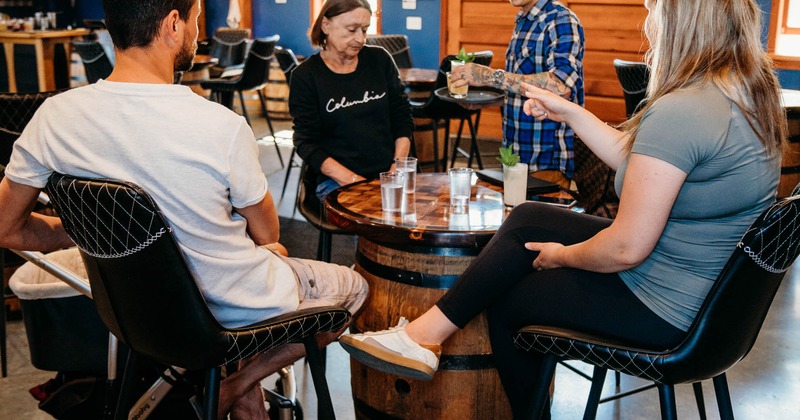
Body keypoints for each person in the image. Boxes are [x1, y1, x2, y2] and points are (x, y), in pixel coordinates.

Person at [340, 0, 786, 417]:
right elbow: (643, 158)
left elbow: (625, 248)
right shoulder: (746, 91)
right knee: (530, 216)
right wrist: (567, 111)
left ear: (680, 21)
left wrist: (561, 257)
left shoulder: (683, 110)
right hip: (712, 301)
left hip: (665, 305)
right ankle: (423, 336)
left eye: (655, 10)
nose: (651, 23)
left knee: (512, 300)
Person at [0, 1, 367, 419]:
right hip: (225, 312)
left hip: (130, 315)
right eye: (195, 20)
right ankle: (235, 387)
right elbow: (268, 235)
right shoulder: (219, 125)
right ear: (174, 24)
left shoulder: (54, 117)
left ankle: (241, 395)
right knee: (354, 289)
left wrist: (92, 228)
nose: (197, 31)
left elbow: (6, 229)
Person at [449, 0, 584, 188]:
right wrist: (487, 102)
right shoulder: (523, 20)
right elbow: (519, 86)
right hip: (515, 156)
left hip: (547, 162)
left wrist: (489, 76)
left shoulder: (561, 19)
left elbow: (560, 86)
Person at [289, 0, 414, 200]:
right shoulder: (306, 76)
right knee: (379, 219)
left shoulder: (380, 60)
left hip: (388, 174)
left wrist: (396, 169)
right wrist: (356, 182)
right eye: (352, 29)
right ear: (325, 25)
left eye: (364, 30)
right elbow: (306, 143)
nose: (361, 39)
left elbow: (402, 118)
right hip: (337, 180)